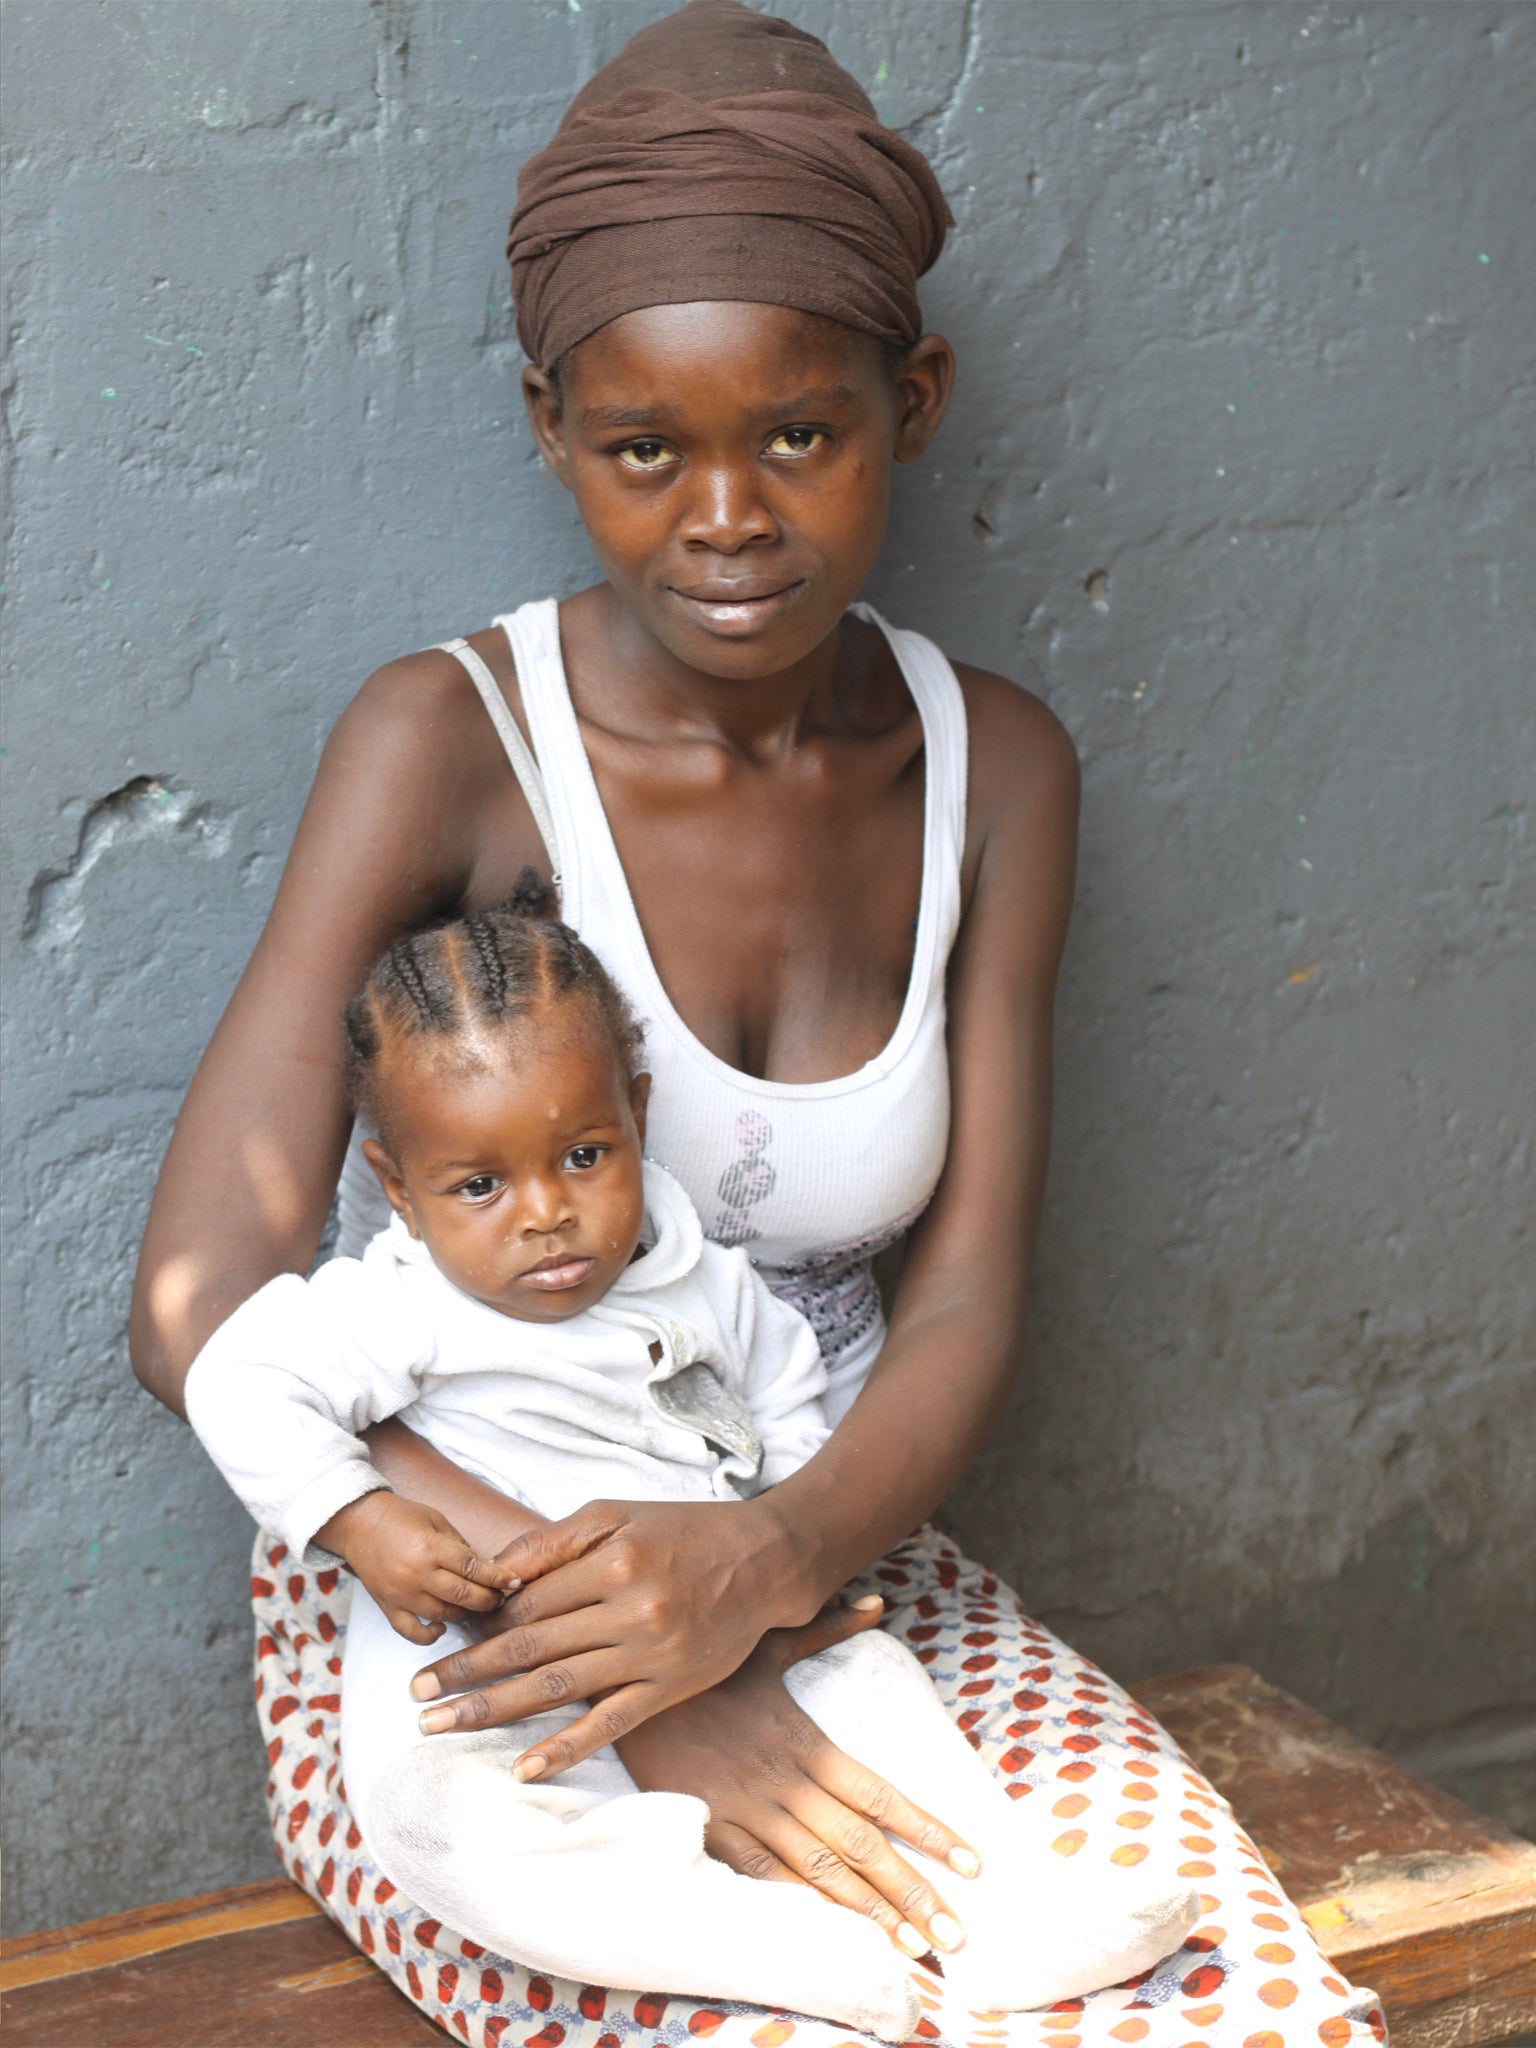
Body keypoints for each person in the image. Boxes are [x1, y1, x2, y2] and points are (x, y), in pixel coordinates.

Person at [133, 3, 1385, 2040]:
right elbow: (193, 1297)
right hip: (448, 1590)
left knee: (1198, 1993)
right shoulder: (450, 743)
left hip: (819, 1533)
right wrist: (640, 1657)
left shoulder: (1003, 771)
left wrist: (770, 1568)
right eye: (646, 449)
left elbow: (968, 1300)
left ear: (917, 399)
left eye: (799, 433)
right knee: (803, 2010)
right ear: (552, 427)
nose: (726, 516)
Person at [186, 888, 1199, 2036]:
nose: (546, 1213)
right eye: (480, 1183)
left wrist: (776, 1559)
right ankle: (758, 1940)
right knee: (432, 1820)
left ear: (641, 1113)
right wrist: (360, 1518)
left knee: (876, 1695)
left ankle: (1014, 1914)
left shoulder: (699, 1272)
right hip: (493, 1665)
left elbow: (788, 1396)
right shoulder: (395, 1305)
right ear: (399, 1186)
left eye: (582, 1153)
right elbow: (235, 1377)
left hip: (719, 1640)